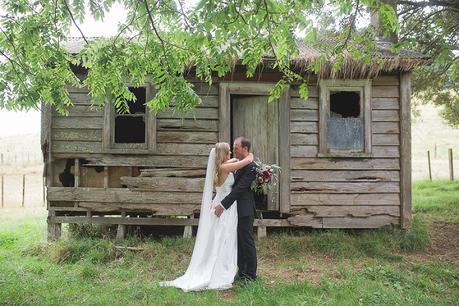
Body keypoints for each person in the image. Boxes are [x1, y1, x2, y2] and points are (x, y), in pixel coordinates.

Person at [159, 142, 253, 291]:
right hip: (226, 207)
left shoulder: (220, 166)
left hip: (221, 203)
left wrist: (236, 159)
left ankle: (226, 267)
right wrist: (250, 156)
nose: (231, 154)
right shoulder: (225, 167)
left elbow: (234, 162)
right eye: (229, 152)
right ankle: (221, 270)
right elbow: (246, 162)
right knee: (225, 238)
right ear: (223, 154)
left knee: (220, 237)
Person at [214, 136, 258, 282]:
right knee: (237, 241)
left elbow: (239, 189)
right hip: (233, 211)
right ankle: (241, 270)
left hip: (245, 210)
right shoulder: (238, 163)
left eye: (236, 148)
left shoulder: (251, 167)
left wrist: (222, 204)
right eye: (232, 148)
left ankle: (251, 275)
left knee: (246, 241)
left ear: (245, 149)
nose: (233, 151)